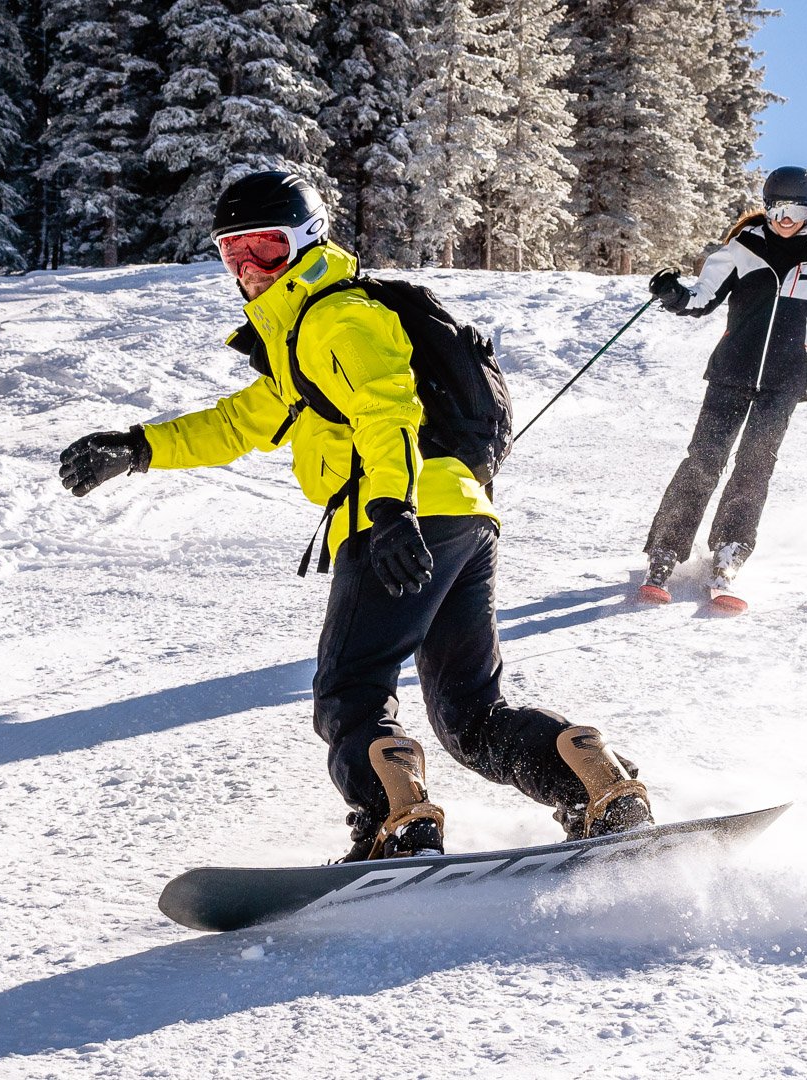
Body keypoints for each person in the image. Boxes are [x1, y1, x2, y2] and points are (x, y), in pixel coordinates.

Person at [58, 171, 651, 861]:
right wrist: (137, 448)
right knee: (470, 714)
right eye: (233, 253)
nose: (249, 270)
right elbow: (241, 422)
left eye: (266, 250)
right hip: (459, 515)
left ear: (308, 242)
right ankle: (589, 779)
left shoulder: (338, 318)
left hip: (396, 517)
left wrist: (390, 508)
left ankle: (394, 821)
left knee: (350, 693)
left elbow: (388, 410)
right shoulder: (300, 340)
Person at [641, 166, 807, 596]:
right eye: (779, 208)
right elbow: (700, 299)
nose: (787, 218)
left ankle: (729, 552)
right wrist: (674, 295)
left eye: (797, 209)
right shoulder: (742, 247)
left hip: (784, 382)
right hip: (732, 370)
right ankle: (665, 552)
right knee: (705, 459)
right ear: (767, 208)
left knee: (755, 465)